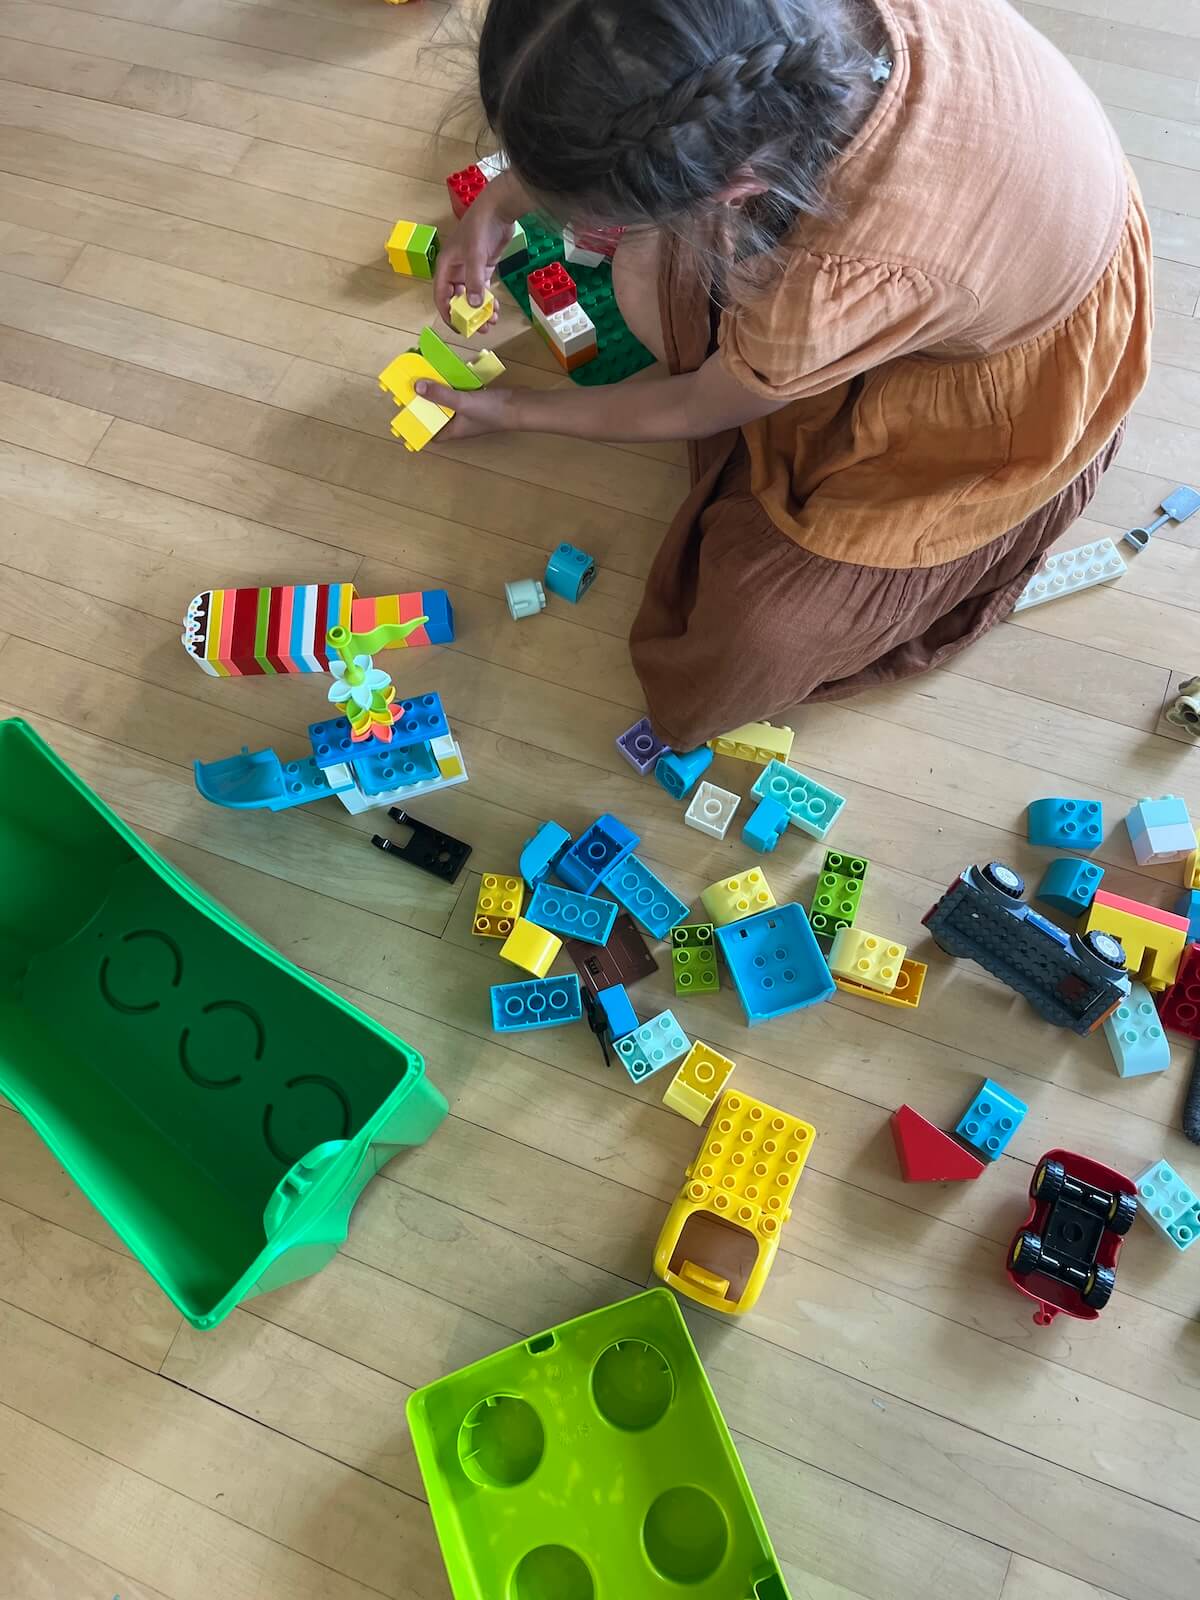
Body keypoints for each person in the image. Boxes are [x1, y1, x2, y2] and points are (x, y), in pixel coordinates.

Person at [418, 0, 1152, 751]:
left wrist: (513, 410)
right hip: (1029, 229)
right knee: (650, 281)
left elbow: (699, 407)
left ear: (736, 188)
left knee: (749, 641)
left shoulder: (832, 280)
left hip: (1002, 386)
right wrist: (499, 199)